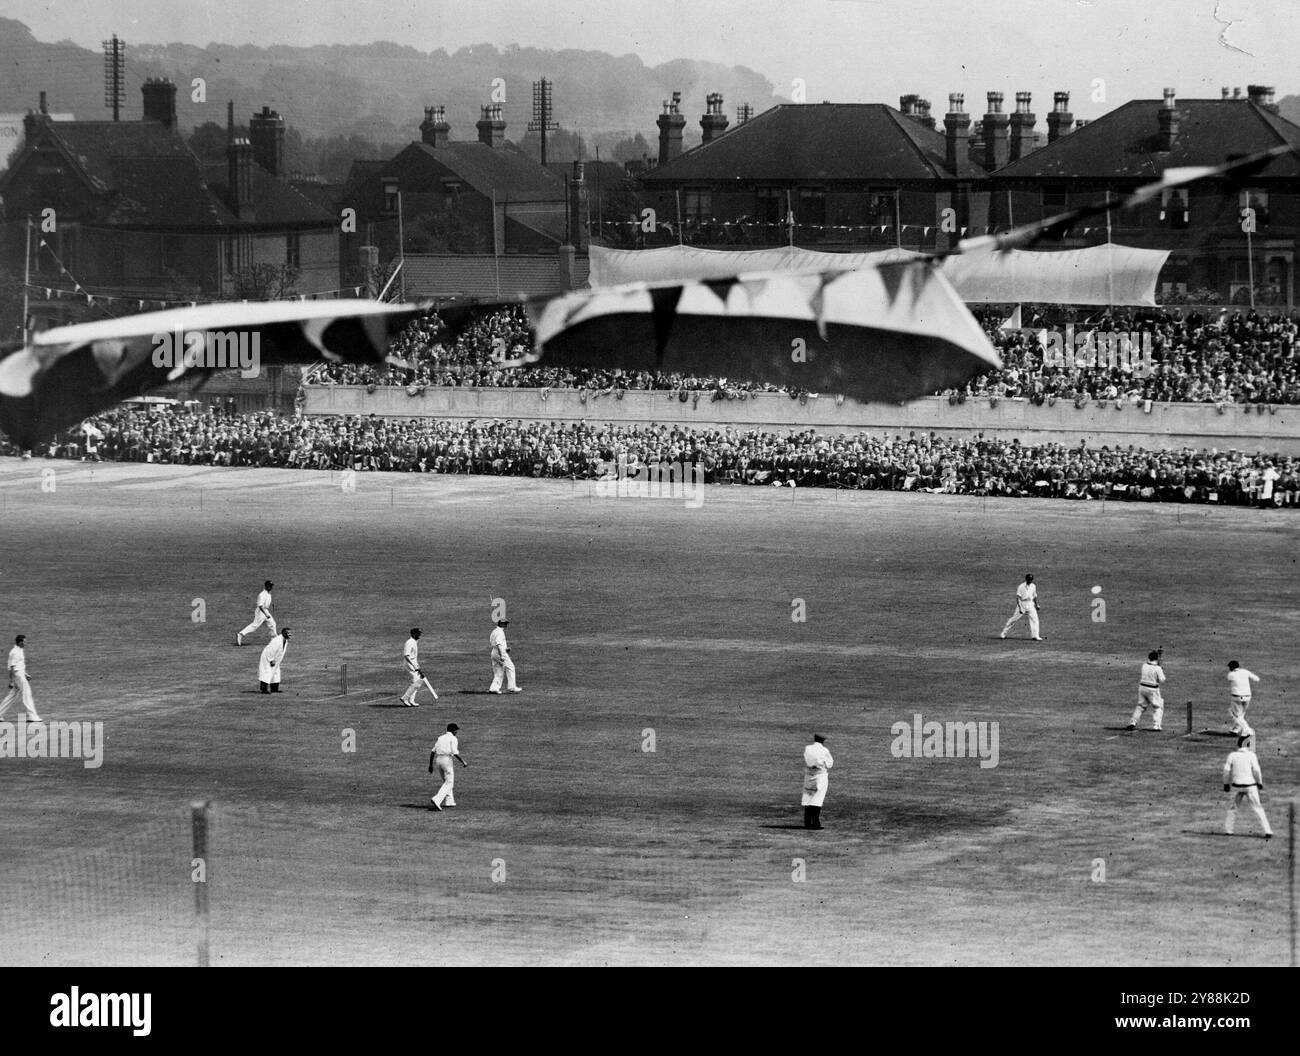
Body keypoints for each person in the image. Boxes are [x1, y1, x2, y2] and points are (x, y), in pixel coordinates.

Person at [1222, 735, 1272, 839]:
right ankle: (1267, 830)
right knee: (1258, 808)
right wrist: (1260, 782)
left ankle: (1229, 830)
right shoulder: (1251, 755)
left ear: (1238, 744)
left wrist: (1226, 784)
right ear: (1248, 745)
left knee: (1232, 808)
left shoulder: (1232, 755)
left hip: (1236, 786)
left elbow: (1226, 771)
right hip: (1250, 786)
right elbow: (1257, 770)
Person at [0, 634, 41, 722]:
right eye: (24, 642)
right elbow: (12, 667)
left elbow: (19, 664)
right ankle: (32, 716)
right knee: (27, 694)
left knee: (12, 695)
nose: (25, 643)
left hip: (20, 675)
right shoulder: (14, 652)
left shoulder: (20, 650)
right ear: (20, 642)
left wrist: (25, 674)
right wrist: (11, 681)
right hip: (18, 676)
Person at [429, 722, 468, 811]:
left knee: (446, 782)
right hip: (446, 760)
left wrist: (430, 765)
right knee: (449, 783)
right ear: (453, 730)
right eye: (456, 730)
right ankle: (437, 799)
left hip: (438, 760)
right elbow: (454, 752)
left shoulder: (440, 738)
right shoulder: (453, 738)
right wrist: (463, 762)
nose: (457, 732)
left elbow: (432, 752)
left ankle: (449, 801)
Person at [1126, 650, 1166, 731]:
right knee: (1157, 707)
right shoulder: (1157, 668)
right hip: (1153, 689)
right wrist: (1160, 669)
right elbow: (1162, 680)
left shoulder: (1144, 665)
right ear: (1157, 658)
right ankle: (1156, 726)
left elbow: (1152, 668)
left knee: (1140, 706)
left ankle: (1133, 722)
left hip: (1142, 688)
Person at [801, 734, 834, 829]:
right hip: (820, 776)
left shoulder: (808, 748)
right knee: (817, 799)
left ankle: (807, 823)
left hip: (809, 775)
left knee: (808, 798)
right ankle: (815, 823)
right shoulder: (824, 750)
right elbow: (830, 764)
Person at [1000, 573, 1042, 640]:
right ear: (1026, 579)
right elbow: (1018, 598)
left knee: (1035, 620)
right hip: (1022, 604)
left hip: (1030, 604)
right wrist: (1020, 608)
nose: (1030, 581)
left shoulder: (1033, 586)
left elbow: (1034, 596)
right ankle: (1003, 633)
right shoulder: (1021, 586)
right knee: (1014, 619)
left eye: (1031, 580)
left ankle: (1035, 635)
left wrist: (1036, 604)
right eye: (1029, 579)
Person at [1225, 660, 1260, 737]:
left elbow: (1231, 680)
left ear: (1231, 667)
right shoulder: (1245, 671)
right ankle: (1236, 729)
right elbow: (1257, 679)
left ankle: (1248, 730)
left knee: (1234, 714)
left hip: (1237, 697)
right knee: (1241, 714)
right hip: (1248, 697)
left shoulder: (1230, 674)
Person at [237, 581, 276, 646]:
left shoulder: (268, 593)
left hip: (265, 610)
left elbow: (266, 602)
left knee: (272, 624)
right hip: (261, 611)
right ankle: (241, 634)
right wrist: (266, 614)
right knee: (255, 626)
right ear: (266, 586)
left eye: (271, 586)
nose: (271, 587)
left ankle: (274, 639)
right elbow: (260, 606)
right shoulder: (262, 594)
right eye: (270, 586)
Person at [488, 619, 521, 693]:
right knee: (510, 667)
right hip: (499, 653)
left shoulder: (494, 631)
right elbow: (498, 644)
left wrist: (505, 649)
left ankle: (494, 688)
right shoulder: (500, 632)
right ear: (502, 624)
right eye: (505, 624)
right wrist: (502, 655)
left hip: (494, 652)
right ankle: (512, 687)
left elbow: (495, 643)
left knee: (499, 671)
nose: (506, 625)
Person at [400, 627, 427, 707]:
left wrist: (417, 665)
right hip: (409, 665)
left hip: (414, 665)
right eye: (418, 633)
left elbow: (413, 656)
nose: (420, 635)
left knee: (418, 681)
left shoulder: (414, 642)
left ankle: (411, 701)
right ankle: (405, 698)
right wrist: (413, 665)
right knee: (416, 681)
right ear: (414, 634)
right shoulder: (409, 642)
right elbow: (406, 656)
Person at [258, 627, 291, 694]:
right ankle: (264, 690)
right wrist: (271, 660)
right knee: (266, 672)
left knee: (276, 672)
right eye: (288, 633)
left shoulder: (285, 640)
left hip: (275, 658)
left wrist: (276, 660)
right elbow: (270, 650)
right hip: (268, 657)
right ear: (283, 633)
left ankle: (274, 689)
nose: (290, 634)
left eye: (290, 633)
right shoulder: (277, 640)